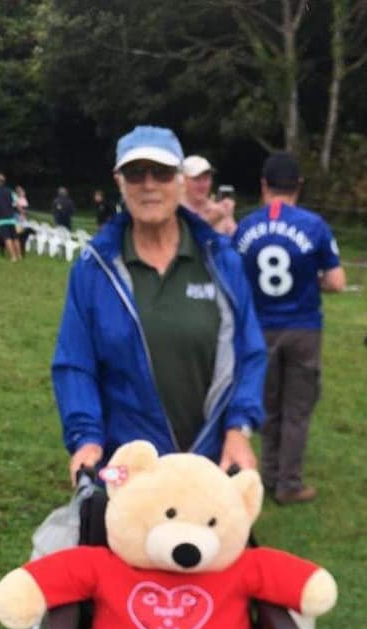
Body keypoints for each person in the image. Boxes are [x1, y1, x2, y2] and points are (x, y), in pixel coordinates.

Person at [52, 124, 266, 483]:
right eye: (136, 173)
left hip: (211, 465)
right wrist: (86, 439)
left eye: (162, 172)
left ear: (180, 180)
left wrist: (238, 429)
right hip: (128, 469)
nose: (149, 184)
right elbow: (75, 362)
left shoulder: (220, 259)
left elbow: (250, 351)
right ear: (119, 181)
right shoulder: (94, 268)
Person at [233, 152, 345, 505]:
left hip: (259, 328)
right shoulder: (314, 226)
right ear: (299, 186)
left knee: (268, 405)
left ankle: (266, 476)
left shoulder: (246, 226)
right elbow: (337, 282)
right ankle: (289, 483)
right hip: (303, 327)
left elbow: (234, 277)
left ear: (264, 185)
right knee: (297, 409)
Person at [181, 155, 237, 236]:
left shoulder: (218, 210)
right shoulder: (175, 210)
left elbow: (237, 242)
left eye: (206, 179)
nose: (202, 185)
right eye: (196, 179)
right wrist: (212, 220)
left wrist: (229, 216)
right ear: (183, 180)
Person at [0, 173, 21, 262]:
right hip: (11, 218)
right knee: (15, 238)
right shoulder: (10, 191)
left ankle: (13, 257)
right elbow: (17, 203)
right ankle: (19, 255)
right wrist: (21, 213)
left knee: (7, 238)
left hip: (1, 219)